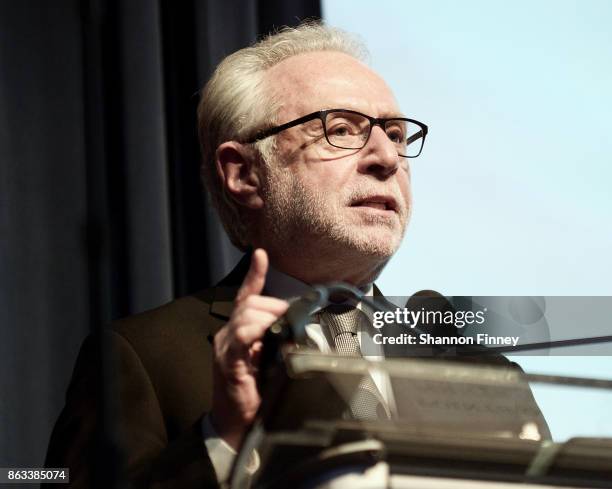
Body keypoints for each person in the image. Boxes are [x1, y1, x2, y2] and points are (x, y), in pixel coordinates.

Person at [45, 22, 542, 489]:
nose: (387, 158)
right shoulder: (142, 357)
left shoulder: (482, 371)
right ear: (242, 173)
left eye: (394, 135)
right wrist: (225, 437)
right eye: (342, 130)